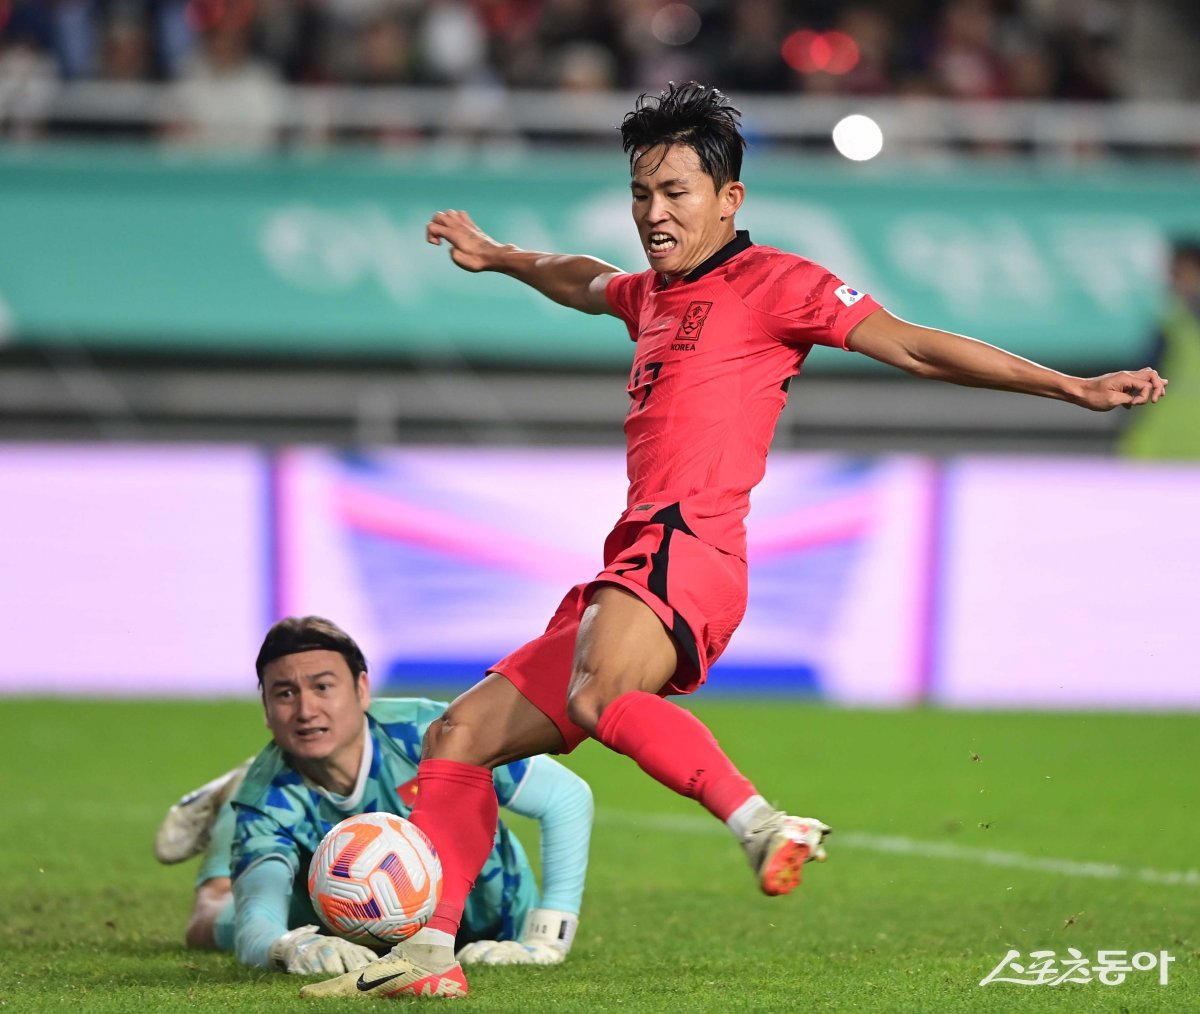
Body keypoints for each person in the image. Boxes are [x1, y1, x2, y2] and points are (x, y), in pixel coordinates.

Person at [302, 81, 1167, 1000]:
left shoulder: (779, 284)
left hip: (691, 546)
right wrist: (500, 256)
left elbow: (914, 346)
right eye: (641, 193)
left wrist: (1071, 387)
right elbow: (581, 278)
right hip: (637, 555)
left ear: (729, 198)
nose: (654, 213)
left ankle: (762, 824)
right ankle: (428, 959)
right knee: (460, 735)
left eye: (675, 192)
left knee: (601, 694)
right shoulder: (650, 295)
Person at [155, 615, 592, 983]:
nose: (306, 710)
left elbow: (567, 797)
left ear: (362, 689)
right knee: (209, 923)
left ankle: (234, 788)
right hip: (340, 926)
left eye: (323, 687)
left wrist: (547, 937)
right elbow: (258, 924)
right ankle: (233, 800)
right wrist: (290, 947)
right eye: (285, 694)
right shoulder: (268, 799)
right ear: (266, 709)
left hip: (493, 921)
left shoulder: (430, 733)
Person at [1119, 238, 1200, 459]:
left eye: (1180, 273)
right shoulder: (1170, 326)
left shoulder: (1172, 327)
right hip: (1162, 449)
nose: (1174, 282)